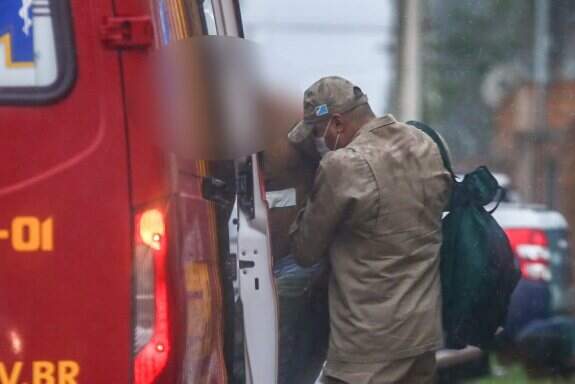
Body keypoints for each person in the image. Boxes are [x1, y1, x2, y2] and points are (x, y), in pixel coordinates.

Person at [289, 76, 452, 384]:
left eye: (317, 132)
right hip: (421, 337)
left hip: (366, 350)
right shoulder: (424, 144)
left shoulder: (343, 166)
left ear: (336, 124)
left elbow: (304, 251)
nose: (316, 142)